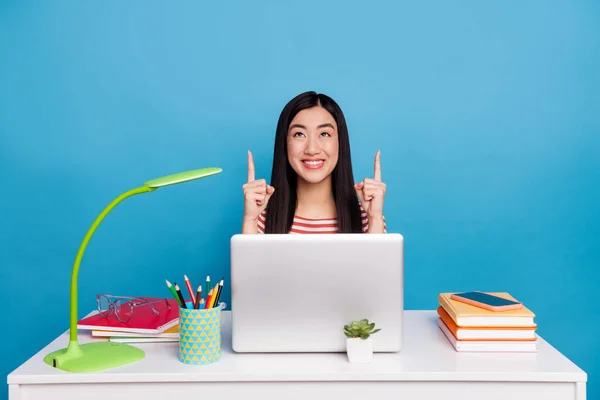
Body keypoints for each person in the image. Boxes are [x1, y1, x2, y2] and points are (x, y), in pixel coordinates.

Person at [242, 91, 386, 234]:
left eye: (324, 134)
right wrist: (250, 221)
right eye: (299, 134)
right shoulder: (261, 218)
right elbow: (249, 258)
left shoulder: (368, 217)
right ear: (284, 143)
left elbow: (379, 258)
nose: (312, 149)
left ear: (340, 142)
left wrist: (375, 219)